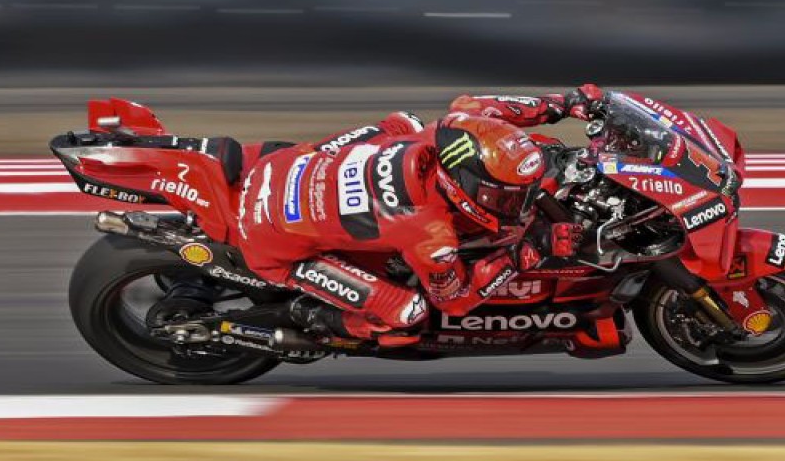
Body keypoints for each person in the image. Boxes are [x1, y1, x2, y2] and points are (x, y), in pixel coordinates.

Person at [234, 84, 604, 347]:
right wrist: (524, 253)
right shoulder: (431, 234)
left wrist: (561, 105)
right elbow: (455, 301)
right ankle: (310, 317)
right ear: (463, 185)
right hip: (270, 241)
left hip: (279, 168)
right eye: (504, 197)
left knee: (406, 123)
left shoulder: (448, 131)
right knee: (407, 314)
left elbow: (477, 106)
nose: (517, 205)